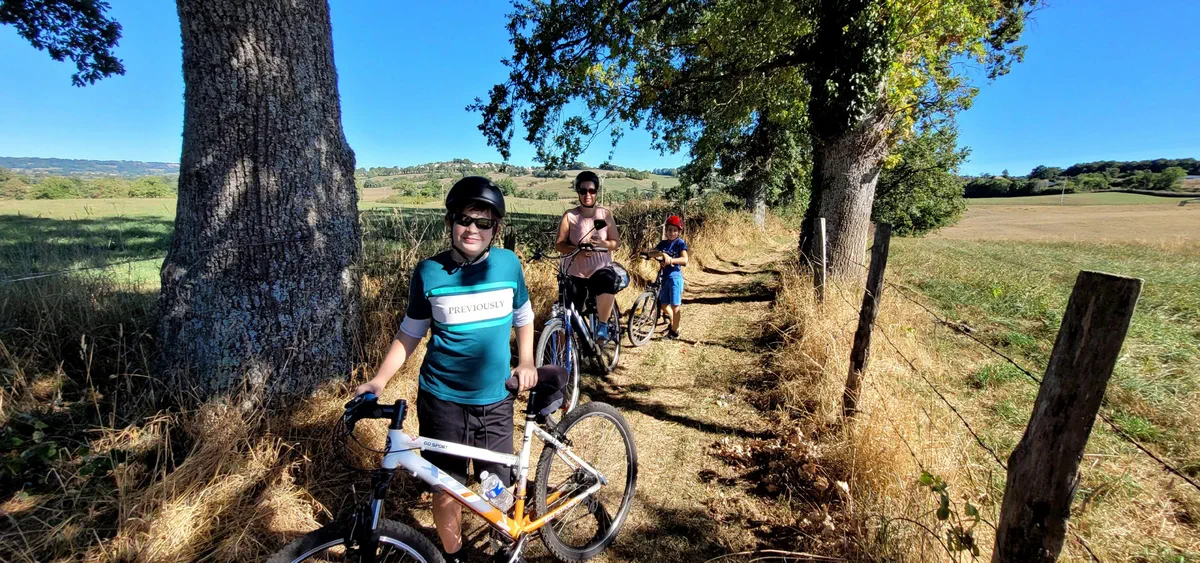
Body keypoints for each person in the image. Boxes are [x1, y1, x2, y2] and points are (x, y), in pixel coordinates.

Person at [353, 176, 538, 562]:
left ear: (496, 229)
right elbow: (409, 333)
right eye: (464, 219)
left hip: (495, 398)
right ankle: (454, 557)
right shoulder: (429, 272)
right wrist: (379, 379)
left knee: (496, 485)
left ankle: (502, 544)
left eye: (483, 222)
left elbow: (523, 315)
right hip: (442, 400)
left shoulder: (508, 264)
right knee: (445, 487)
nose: (472, 229)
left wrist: (526, 361)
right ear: (450, 222)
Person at [554, 170, 621, 340]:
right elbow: (559, 245)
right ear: (578, 192)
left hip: (600, 269)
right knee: (569, 316)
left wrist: (603, 244)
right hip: (575, 272)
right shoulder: (570, 216)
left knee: (608, 281)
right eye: (583, 191)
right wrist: (577, 248)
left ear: (597, 192)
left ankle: (603, 326)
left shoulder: (605, 215)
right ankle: (567, 351)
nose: (587, 195)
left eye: (591, 190)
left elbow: (616, 242)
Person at [654, 215, 689, 340]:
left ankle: (674, 332)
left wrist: (671, 260)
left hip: (675, 278)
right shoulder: (663, 244)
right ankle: (675, 323)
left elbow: (685, 259)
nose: (672, 233)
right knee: (664, 305)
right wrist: (662, 254)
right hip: (664, 278)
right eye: (669, 230)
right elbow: (651, 252)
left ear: (679, 232)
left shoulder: (680, 243)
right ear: (666, 230)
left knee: (675, 306)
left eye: (675, 230)